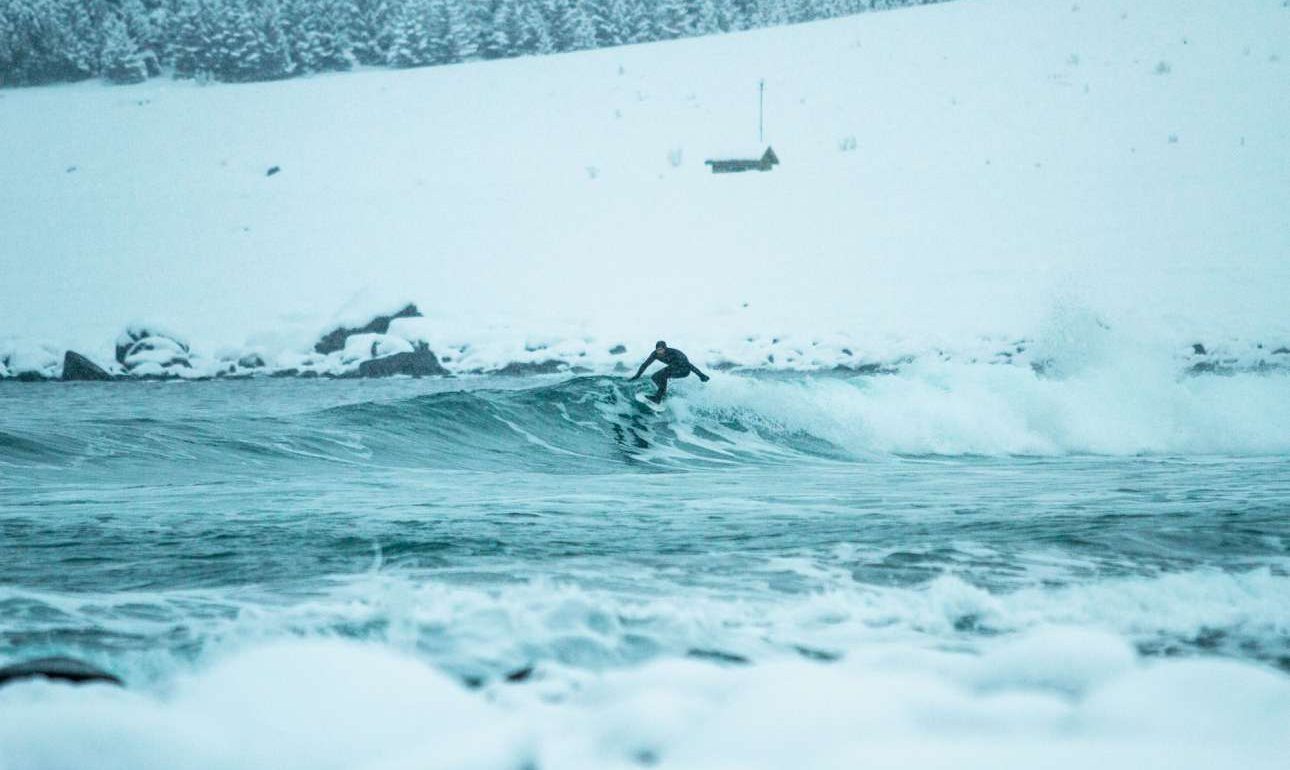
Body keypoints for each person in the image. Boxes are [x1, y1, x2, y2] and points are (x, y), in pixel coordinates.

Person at [629, 340, 710, 402]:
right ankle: (663, 393)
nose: (659, 352)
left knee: (663, 375)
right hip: (673, 367)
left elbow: (689, 365)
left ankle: (658, 398)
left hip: (684, 370)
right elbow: (645, 364)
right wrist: (637, 375)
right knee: (654, 377)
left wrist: (701, 375)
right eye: (658, 350)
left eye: (661, 350)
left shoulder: (675, 353)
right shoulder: (655, 354)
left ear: (665, 348)